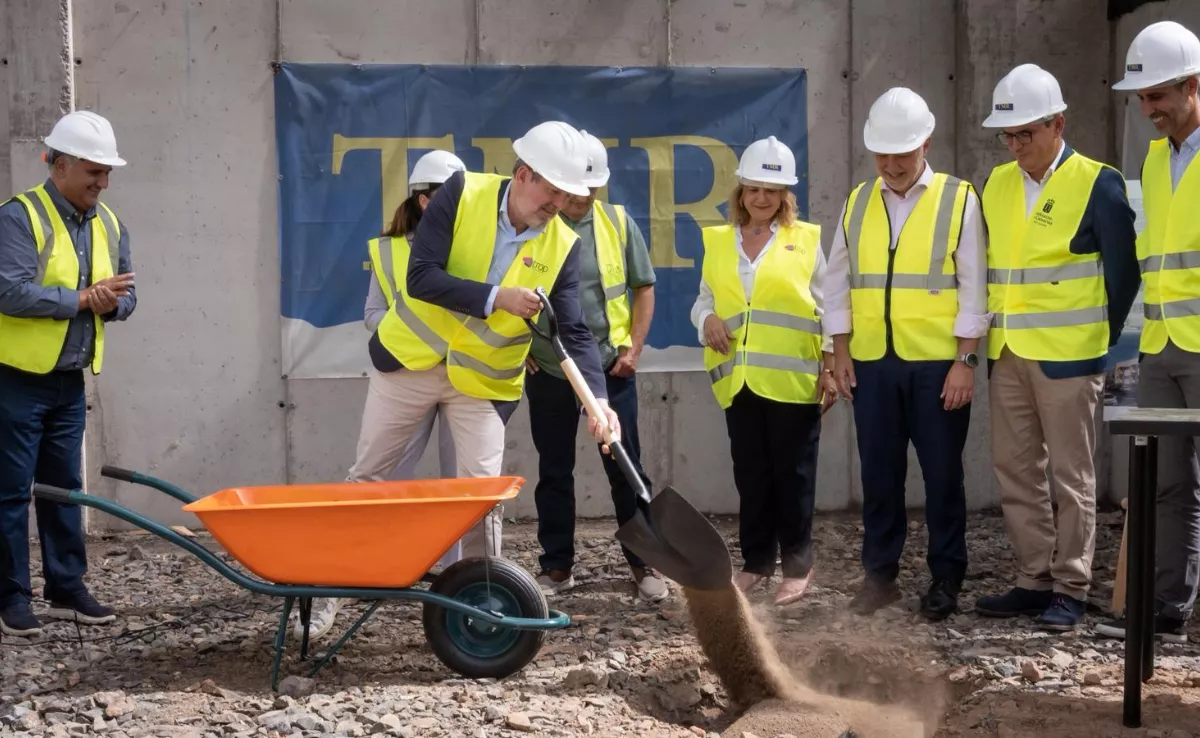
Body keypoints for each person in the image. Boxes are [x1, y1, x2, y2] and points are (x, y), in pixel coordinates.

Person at [345, 119, 619, 552]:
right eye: (553, 190)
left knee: (483, 497)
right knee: (370, 478)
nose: (560, 203)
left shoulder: (565, 245)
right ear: (524, 173)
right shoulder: (460, 192)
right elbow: (421, 278)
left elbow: (573, 331)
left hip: (482, 384)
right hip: (408, 364)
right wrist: (496, 298)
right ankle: (342, 578)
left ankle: (481, 602)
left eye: (568, 194)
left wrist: (598, 401)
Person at [973, 64, 1141, 631]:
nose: (1017, 145)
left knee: (1072, 477)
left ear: (1058, 124)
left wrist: (1098, 338)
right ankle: (1032, 579)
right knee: (1016, 471)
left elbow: (1123, 276)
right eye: (1009, 135)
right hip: (1010, 355)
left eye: (1026, 133)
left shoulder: (1099, 182)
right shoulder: (996, 183)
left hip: (1070, 359)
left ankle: (1071, 585)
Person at [825, 87, 989, 621]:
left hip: (938, 366)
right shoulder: (856, 201)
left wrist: (965, 361)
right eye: (883, 154)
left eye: (903, 152)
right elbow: (837, 283)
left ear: (927, 143)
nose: (892, 165)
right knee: (879, 473)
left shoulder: (959, 198)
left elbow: (974, 286)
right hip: (872, 362)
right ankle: (880, 577)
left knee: (943, 475)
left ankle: (946, 577)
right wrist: (840, 351)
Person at [296, 149, 467, 643]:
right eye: (446, 198)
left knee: (466, 491)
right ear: (423, 197)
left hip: (464, 378)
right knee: (372, 480)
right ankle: (333, 588)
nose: (456, 208)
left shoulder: (474, 246)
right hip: (404, 377)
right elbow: (374, 313)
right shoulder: (389, 249)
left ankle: (462, 592)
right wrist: (407, 333)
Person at [0, 111, 135, 636]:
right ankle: (11, 596)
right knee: (10, 491)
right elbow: (8, 291)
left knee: (63, 487)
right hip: (16, 379)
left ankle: (65, 587)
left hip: (70, 380)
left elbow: (128, 297)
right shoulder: (18, 217)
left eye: (106, 174)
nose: (102, 183)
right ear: (59, 166)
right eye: (93, 173)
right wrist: (81, 299)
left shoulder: (110, 222)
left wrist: (107, 305)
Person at [689, 136, 837, 606]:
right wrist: (706, 320)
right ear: (741, 191)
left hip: (792, 380)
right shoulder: (718, 241)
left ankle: (798, 566)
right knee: (751, 475)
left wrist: (830, 366)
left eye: (771, 190)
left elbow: (831, 307)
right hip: (739, 380)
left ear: (784, 196)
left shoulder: (806, 240)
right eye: (754, 188)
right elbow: (704, 301)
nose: (761, 198)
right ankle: (756, 563)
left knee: (793, 475)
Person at [524, 130, 667, 602]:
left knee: (625, 468)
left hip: (608, 369)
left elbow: (643, 286)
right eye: (574, 188)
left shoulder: (618, 224)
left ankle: (645, 563)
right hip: (549, 371)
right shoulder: (536, 224)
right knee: (554, 470)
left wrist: (635, 349)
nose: (582, 197)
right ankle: (557, 567)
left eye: (591, 189)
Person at [1097, 20, 1200, 645]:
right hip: (1163, 347)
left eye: (1157, 95)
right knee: (1169, 484)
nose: (1147, 109)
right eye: (1140, 97)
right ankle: (1170, 606)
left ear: (1192, 85)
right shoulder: (1157, 159)